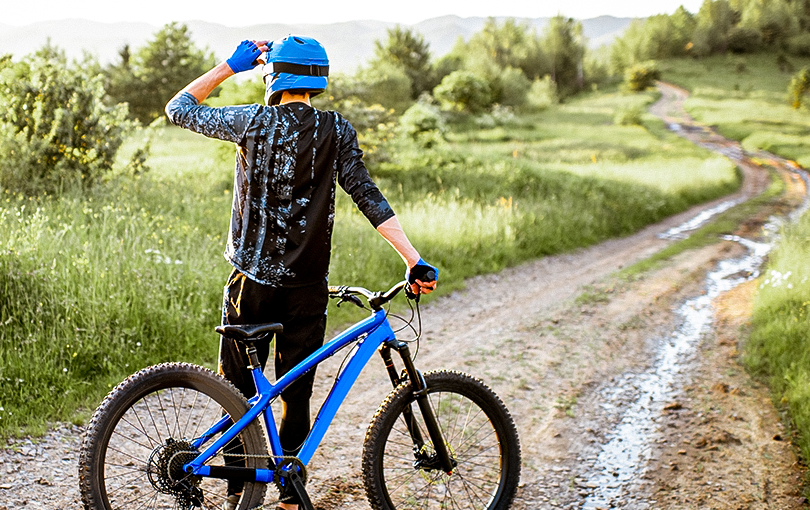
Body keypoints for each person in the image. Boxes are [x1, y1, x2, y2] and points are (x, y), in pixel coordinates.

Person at [165, 36, 438, 510]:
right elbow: (368, 195)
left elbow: (179, 108)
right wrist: (411, 258)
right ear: (318, 80)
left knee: (238, 391)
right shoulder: (336, 130)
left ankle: (238, 493)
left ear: (274, 77)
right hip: (306, 289)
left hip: (250, 281)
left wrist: (230, 66)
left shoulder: (251, 120)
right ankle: (290, 498)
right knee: (296, 390)